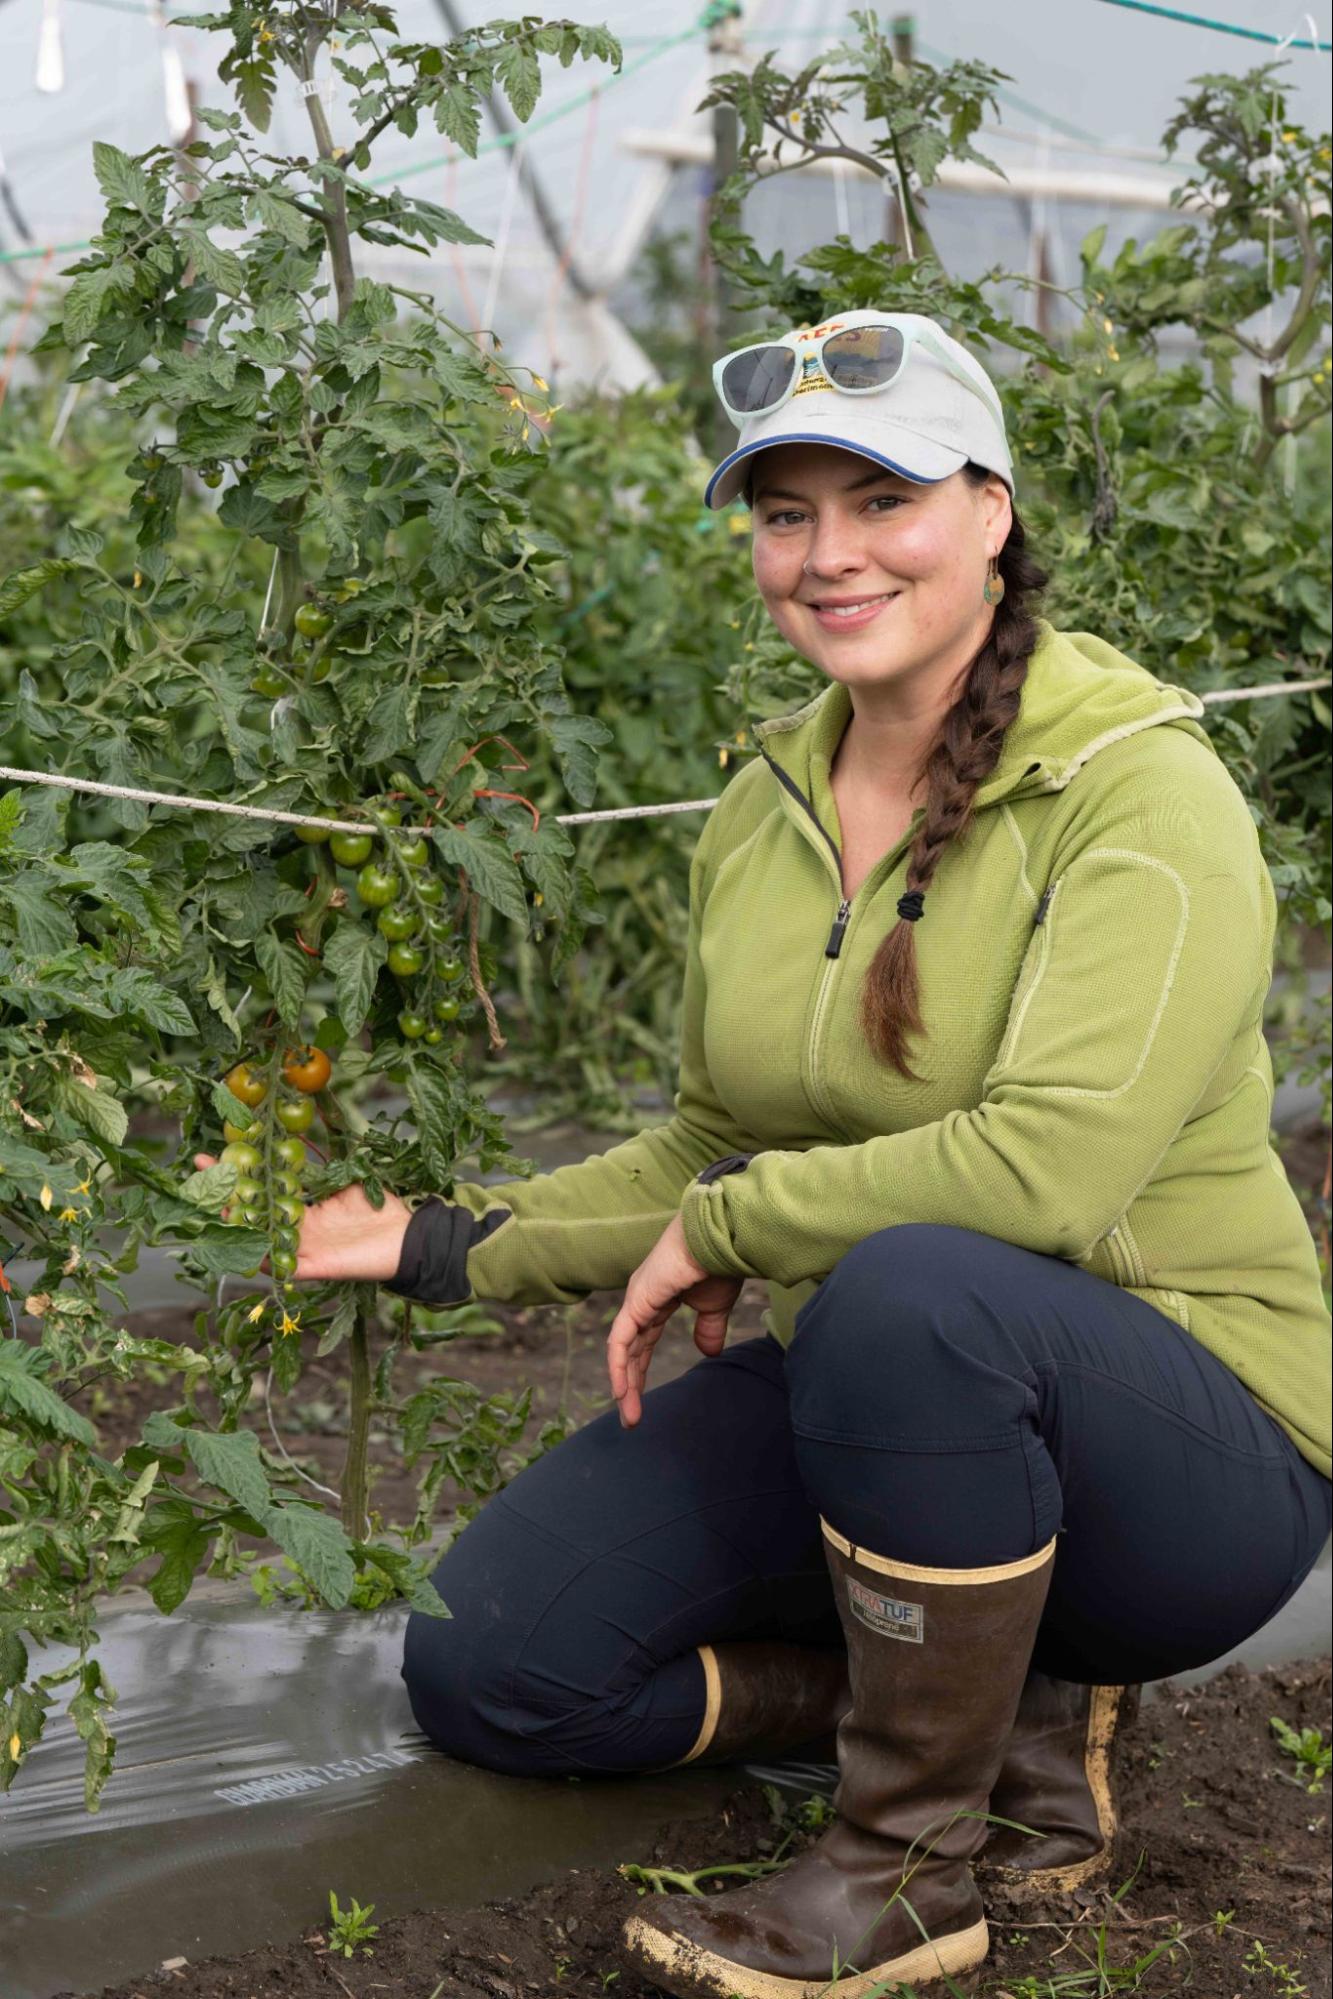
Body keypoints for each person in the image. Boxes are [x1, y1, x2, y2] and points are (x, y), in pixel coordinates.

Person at [229, 312, 1333, 1999]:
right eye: (782, 512)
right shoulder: (767, 802)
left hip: (1181, 1443)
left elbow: (1041, 1178)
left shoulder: (1138, 795)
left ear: (989, 512)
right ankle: (982, 1705)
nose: (826, 556)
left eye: (878, 499)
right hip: (893, 1401)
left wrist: (737, 1223)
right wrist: (448, 1238)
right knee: (497, 1667)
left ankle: (904, 1868)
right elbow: (714, 1137)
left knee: (913, 1292)